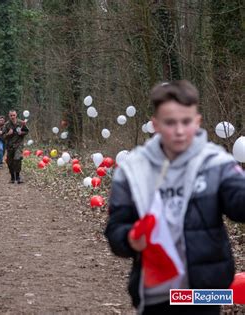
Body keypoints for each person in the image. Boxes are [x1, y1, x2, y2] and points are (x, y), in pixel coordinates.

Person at [105, 80, 245, 315]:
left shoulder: (216, 163)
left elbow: (239, 204)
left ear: (197, 121)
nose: (179, 131)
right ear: (155, 124)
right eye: (170, 123)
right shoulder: (133, 169)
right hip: (155, 291)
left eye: (186, 122)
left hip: (205, 291)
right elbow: (115, 230)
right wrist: (130, 239)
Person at [2, 110, 29, 183]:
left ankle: (18, 176)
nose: (12, 117)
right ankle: (12, 177)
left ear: (16, 115)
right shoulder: (6, 124)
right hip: (10, 145)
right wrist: (8, 133)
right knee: (9, 162)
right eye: (11, 115)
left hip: (18, 144)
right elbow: (3, 136)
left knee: (17, 159)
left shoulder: (21, 123)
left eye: (14, 115)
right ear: (9, 116)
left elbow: (26, 131)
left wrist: (21, 133)